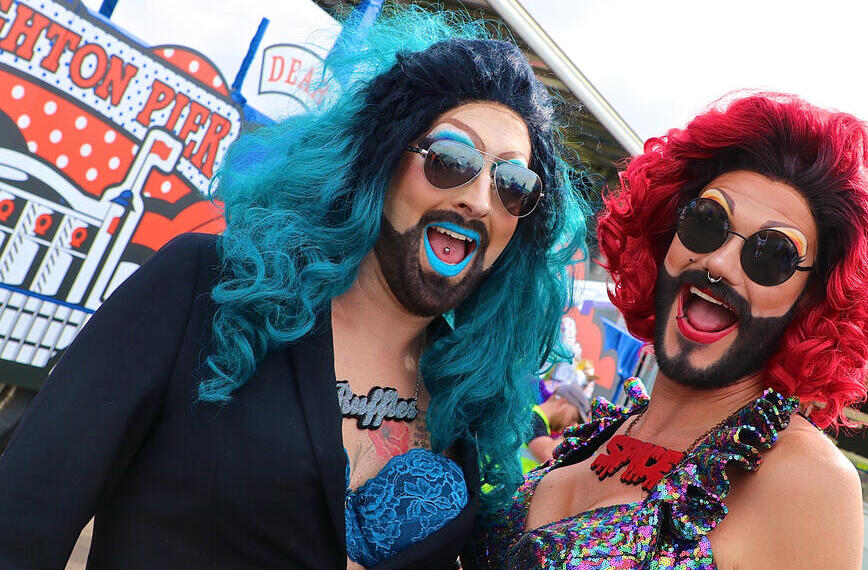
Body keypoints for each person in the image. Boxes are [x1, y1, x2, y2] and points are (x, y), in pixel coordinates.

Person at [0, 7, 587, 570]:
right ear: (379, 158)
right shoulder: (206, 290)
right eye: (453, 158)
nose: (479, 199)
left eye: (513, 183)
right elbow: (22, 522)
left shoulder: (470, 405)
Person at [465, 92, 868, 569]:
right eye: (707, 222)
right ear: (666, 239)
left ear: (810, 301)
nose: (719, 263)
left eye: (773, 254)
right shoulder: (603, 433)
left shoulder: (805, 480)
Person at [521, 383, 591, 471]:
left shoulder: (540, 425)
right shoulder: (533, 417)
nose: (573, 424)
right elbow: (548, 455)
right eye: (574, 418)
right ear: (561, 403)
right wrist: (571, 434)